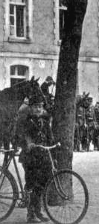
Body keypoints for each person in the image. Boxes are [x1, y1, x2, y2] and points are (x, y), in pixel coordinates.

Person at [18, 92, 54, 223]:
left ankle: (38, 209)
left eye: (40, 106)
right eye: (36, 107)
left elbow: (50, 137)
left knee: (43, 182)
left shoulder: (44, 122)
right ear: (31, 108)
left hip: (43, 156)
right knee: (32, 182)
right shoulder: (26, 121)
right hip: (30, 157)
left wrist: (54, 143)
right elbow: (21, 136)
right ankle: (31, 213)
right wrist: (28, 144)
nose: (38, 109)